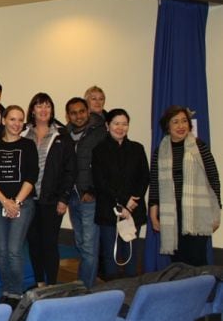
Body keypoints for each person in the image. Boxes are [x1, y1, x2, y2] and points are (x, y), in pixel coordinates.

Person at [148, 106, 221, 266]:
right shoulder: (160, 151)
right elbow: (154, 184)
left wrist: (217, 212)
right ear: (168, 126)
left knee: (197, 258)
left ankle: (201, 290)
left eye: (184, 121)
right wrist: (153, 215)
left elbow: (214, 178)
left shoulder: (199, 147)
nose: (181, 126)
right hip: (172, 213)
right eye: (175, 122)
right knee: (178, 261)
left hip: (198, 211)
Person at [0, 105, 38, 308]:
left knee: (14, 250)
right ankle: (7, 291)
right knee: (2, 250)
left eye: (20, 120)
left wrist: (17, 202)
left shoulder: (28, 145)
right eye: (12, 119)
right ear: (4, 120)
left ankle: (15, 294)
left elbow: (32, 175)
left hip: (23, 203)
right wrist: (5, 201)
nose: (16, 124)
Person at [21, 93, 76, 287]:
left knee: (49, 243)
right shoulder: (22, 133)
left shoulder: (61, 135)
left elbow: (70, 170)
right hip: (27, 200)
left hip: (52, 200)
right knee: (34, 243)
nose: (43, 110)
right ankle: (39, 283)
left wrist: (64, 199)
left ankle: (52, 284)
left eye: (47, 106)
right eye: (39, 106)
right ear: (32, 110)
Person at [92, 108, 149, 279]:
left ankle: (131, 294)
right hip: (109, 210)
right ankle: (112, 293)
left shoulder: (137, 148)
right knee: (111, 255)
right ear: (107, 125)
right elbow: (101, 182)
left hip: (133, 209)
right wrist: (123, 202)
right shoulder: (99, 150)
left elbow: (144, 177)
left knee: (131, 254)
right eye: (116, 123)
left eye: (124, 124)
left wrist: (133, 201)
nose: (120, 127)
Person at [65, 97, 107, 288]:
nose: (78, 116)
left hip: (89, 196)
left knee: (89, 246)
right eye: (73, 113)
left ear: (87, 112)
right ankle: (84, 282)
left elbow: (103, 166)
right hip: (71, 196)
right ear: (68, 116)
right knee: (81, 242)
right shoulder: (64, 134)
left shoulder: (99, 133)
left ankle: (86, 288)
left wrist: (92, 190)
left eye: (82, 111)